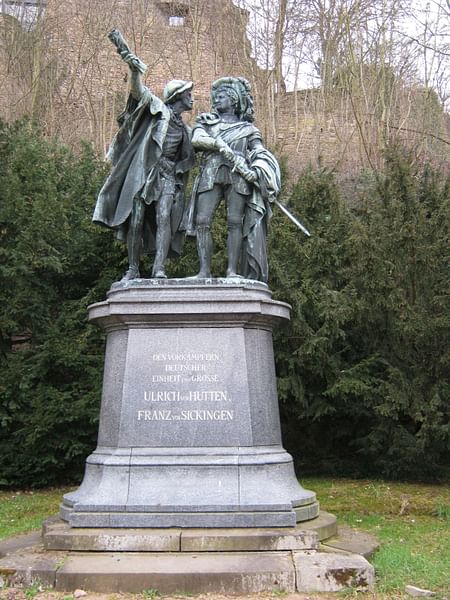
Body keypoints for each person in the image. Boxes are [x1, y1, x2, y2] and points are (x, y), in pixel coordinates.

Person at [93, 34, 194, 280]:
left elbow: (188, 158)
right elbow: (139, 92)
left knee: (164, 219)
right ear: (178, 97)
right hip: (146, 172)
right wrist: (134, 68)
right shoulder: (158, 108)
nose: (192, 98)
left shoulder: (186, 130)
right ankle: (133, 269)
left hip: (168, 176)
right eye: (188, 94)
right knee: (136, 220)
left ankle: (159, 268)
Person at [183, 76, 280, 282]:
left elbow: (259, 151)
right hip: (211, 173)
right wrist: (218, 145)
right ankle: (204, 271)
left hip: (239, 176)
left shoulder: (248, 129)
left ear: (234, 100)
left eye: (221, 96)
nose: (216, 100)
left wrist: (256, 171)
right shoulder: (206, 122)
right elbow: (196, 139)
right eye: (215, 97)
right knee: (202, 221)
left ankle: (232, 271)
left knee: (235, 222)